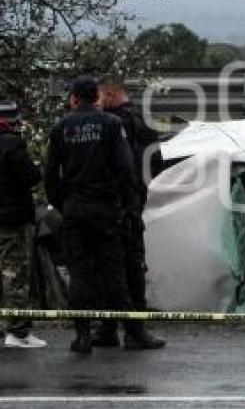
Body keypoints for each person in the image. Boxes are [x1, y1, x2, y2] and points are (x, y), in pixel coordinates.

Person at [44, 77, 161, 353]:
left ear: (73, 98)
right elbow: (125, 169)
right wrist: (130, 207)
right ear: (96, 96)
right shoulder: (111, 124)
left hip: (75, 209)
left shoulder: (61, 127)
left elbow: (49, 174)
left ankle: (83, 335)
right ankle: (133, 332)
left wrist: (63, 204)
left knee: (80, 274)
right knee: (114, 273)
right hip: (105, 210)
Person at [95, 75, 165, 349]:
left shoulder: (112, 124)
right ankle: (128, 329)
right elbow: (156, 163)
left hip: (112, 205)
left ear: (110, 94)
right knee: (129, 267)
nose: (97, 104)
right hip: (132, 204)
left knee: (112, 269)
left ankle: (113, 329)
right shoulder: (143, 122)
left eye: (100, 98)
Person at [0, 101, 47, 349]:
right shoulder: (12, 144)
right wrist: (39, 166)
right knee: (15, 274)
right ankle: (17, 332)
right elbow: (30, 177)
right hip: (12, 220)